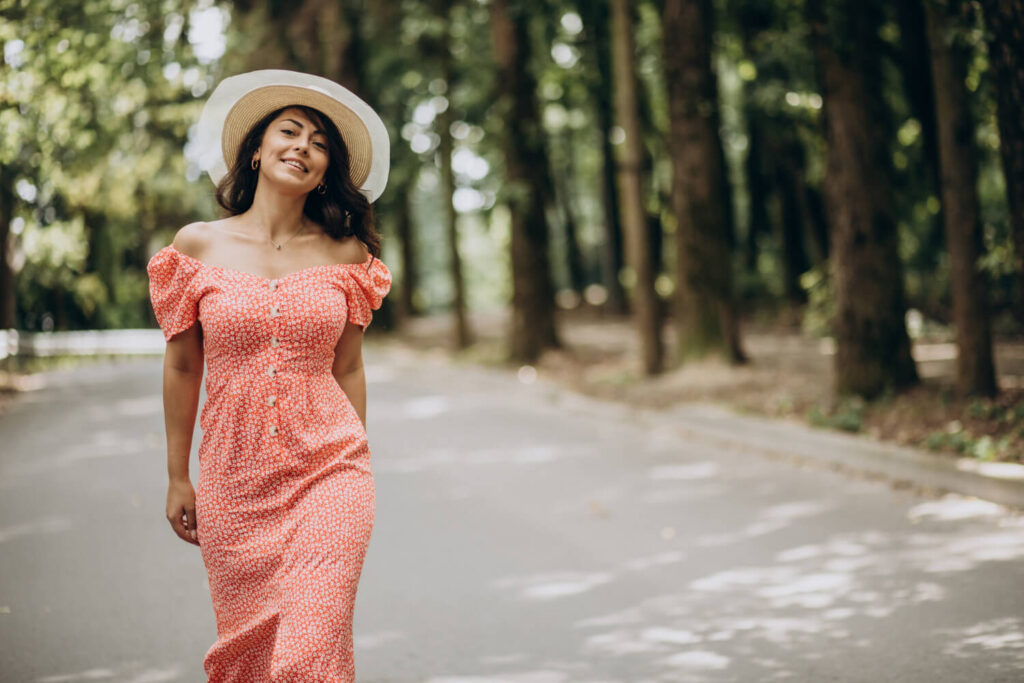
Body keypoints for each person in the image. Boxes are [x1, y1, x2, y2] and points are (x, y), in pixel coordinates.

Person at [146, 69, 391, 682]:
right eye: (289, 131)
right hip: (234, 482)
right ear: (256, 150)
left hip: (331, 474)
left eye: (319, 143)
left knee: (306, 654)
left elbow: (349, 366)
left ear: (324, 170)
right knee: (252, 658)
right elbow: (181, 365)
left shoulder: (347, 255)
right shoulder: (196, 247)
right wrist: (179, 475)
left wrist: (353, 457)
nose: (302, 146)